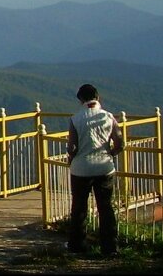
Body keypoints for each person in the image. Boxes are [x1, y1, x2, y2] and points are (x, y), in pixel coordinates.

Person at [66, 83, 124, 256]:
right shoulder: (108, 117)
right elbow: (121, 143)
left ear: (81, 100)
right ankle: (110, 248)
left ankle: (77, 246)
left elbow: (72, 147)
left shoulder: (75, 119)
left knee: (79, 208)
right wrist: (110, 153)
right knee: (106, 208)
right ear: (98, 98)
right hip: (104, 167)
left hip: (80, 170)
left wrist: (72, 158)